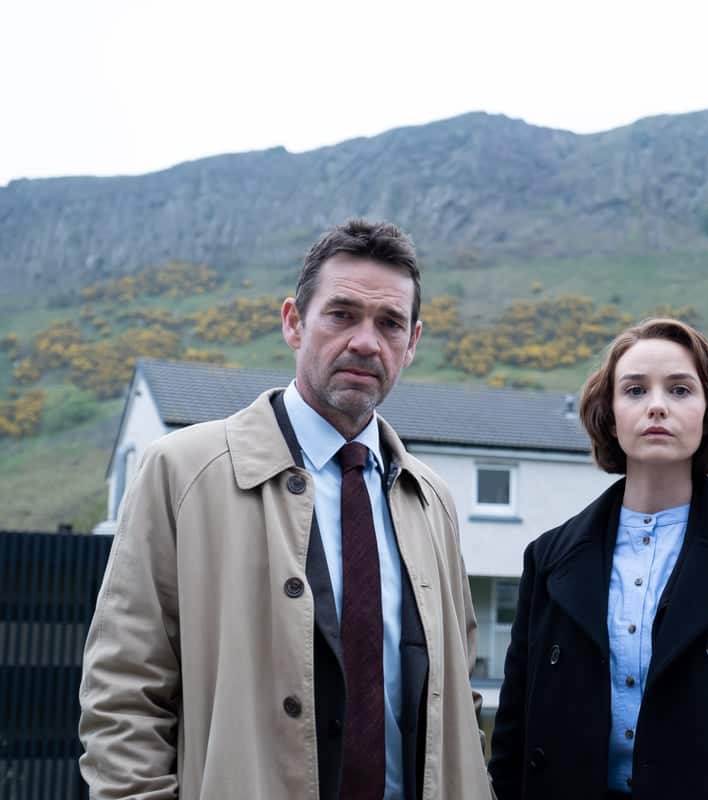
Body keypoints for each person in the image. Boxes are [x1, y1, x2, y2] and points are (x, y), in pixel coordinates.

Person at [79, 219, 491, 800]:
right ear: (294, 323)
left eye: (389, 323)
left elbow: (458, 694)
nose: (366, 342)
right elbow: (124, 691)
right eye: (342, 314)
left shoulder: (432, 502)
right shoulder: (182, 472)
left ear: (413, 342)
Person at [488, 318, 708, 800]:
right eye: (634, 390)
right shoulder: (549, 558)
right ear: (609, 414)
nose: (657, 405)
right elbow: (512, 740)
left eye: (680, 390)